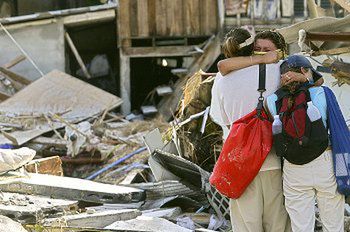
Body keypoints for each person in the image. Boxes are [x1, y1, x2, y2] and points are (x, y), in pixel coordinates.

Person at [210, 28, 292, 232]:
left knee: (247, 225)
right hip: (272, 159)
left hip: (240, 164)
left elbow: (223, 121)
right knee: (278, 222)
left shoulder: (221, 80)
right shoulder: (278, 70)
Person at [266, 55, 345, 232]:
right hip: (325, 162)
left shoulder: (271, 101)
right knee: (333, 226)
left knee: (301, 226)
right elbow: (340, 132)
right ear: (304, 71)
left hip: (293, 167)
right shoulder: (324, 93)